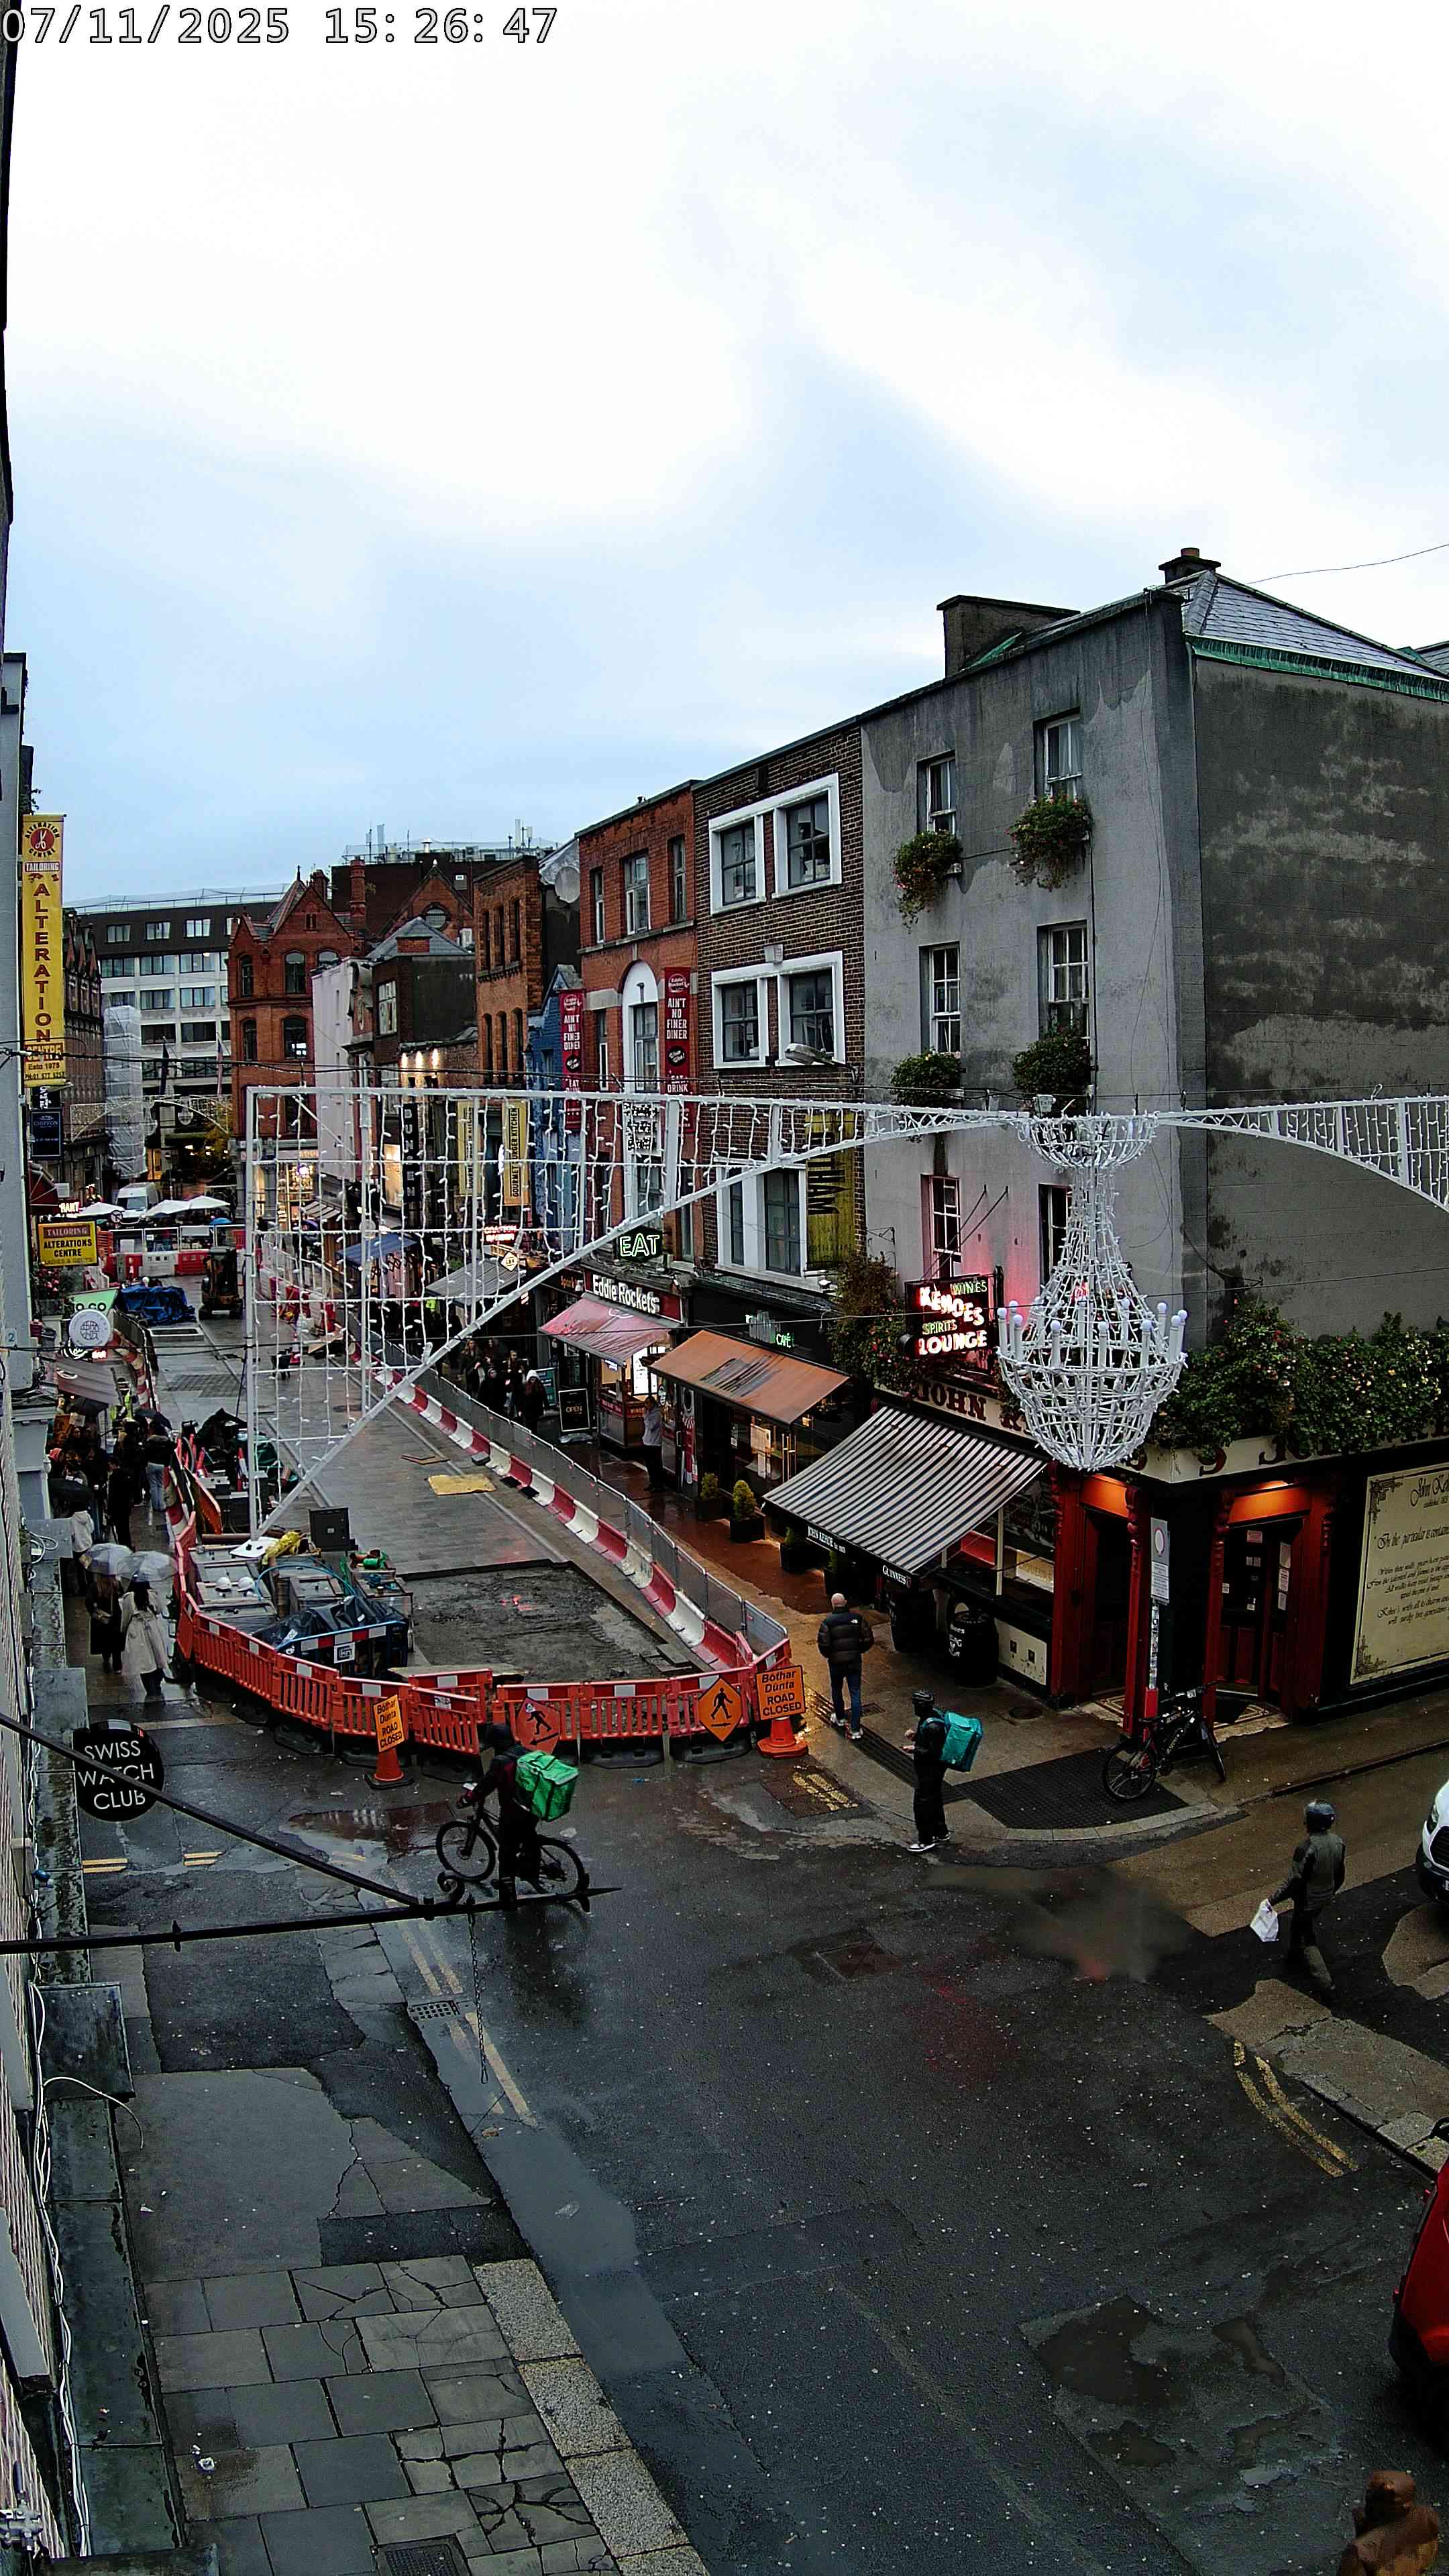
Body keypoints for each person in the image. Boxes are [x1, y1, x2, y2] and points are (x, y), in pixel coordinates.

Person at [1271, 1799, 1346, 1998]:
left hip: (1307, 1900)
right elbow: (1340, 1874)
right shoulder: (1338, 1842)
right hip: (1324, 1897)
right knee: (1298, 1925)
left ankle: (1326, 1985)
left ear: (1311, 1822)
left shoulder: (1306, 1848)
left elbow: (1294, 1882)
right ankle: (1293, 1956)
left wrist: (1272, 1901)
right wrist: (1329, 1892)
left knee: (1306, 1938)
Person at [815, 1591, 875, 1740]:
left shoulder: (827, 1623)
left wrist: (831, 1656)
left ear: (833, 1605)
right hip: (854, 1662)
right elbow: (869, 1639)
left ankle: (840, 1718)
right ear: (845, 1603)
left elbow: (823, 1645)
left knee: (836, 1689)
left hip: (836, 1664)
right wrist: (858, 1650)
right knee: (855, 1693)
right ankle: (855, 1729)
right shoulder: (857, 1619)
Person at [906, 1686, 949, 1854]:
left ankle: (926, 1840)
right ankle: (941, 1832)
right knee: (935, 1800)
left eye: (916, 1705)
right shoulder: (931, 1718)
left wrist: (914, 1749)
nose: (914, 1708)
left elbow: (933, 1752)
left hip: (930, 1771)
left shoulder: (933, 1726)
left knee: (922, 1804)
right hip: (932, 1771)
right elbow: (929, 1742)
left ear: (921, 1706)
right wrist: (916, 1738)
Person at [120, 1576, 170, 1701]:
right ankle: (157, 1685)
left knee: (144, 1661)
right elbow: (159, 1610)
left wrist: (123, 1630)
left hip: (137, 1630)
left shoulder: (129, 1598)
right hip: (152, 1627)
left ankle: (150, 1690)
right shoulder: (152, 1595)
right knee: (157, 1656)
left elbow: (126, 1617)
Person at [640, 1394, 665, 1491]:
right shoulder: (649, 1413)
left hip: (655, 1444)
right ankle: (652, 1482)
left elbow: (651, 1426)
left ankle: (658, 1485)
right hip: (647, 1442)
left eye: (647, 1403)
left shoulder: (657, 1414)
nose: (646, 1405)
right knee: (649, 1465)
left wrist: (645, 1416)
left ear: (652, 1404)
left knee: (656, 1465)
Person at [517, 1368, 548, 1434]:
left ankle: (534, 1436)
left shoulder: (539, 1386)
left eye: (534, 1378)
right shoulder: (524, 1386)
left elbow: (544, 1396)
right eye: (532, 1378)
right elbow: (520, 1399)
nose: (533, 1380)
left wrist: (546, 1407)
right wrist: (520, 1410)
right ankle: (529, 1437)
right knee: (528, 1425)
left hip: (536, 1409)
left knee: (534, 1425)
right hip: (527, 1410)